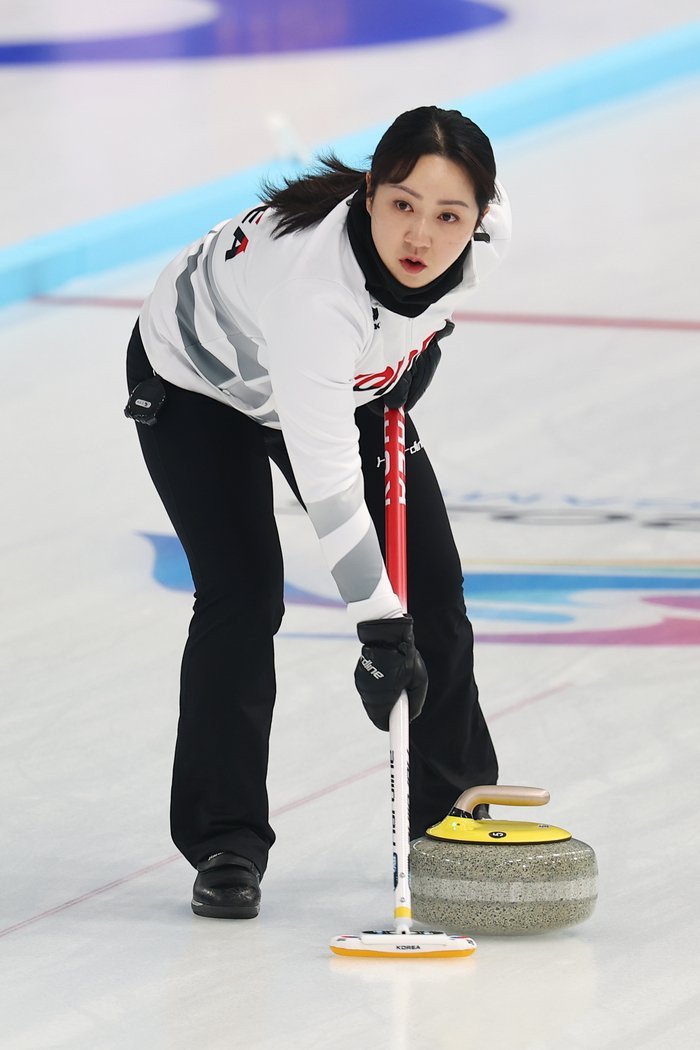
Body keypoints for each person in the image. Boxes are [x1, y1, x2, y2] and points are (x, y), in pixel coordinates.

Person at [125, 105, 511, 920]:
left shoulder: (486, 235)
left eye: (449, 216)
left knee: (434, 589)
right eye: (402, 205)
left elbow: (423, 314)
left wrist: (411, 356)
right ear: (369, 193)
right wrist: (379, 631)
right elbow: (329, 482)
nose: (421, 235)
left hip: (340, 386)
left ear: (481, 217)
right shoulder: (317, 298)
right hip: (201, 385)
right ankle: (225, 840)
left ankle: (452, 817)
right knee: (242, 594)